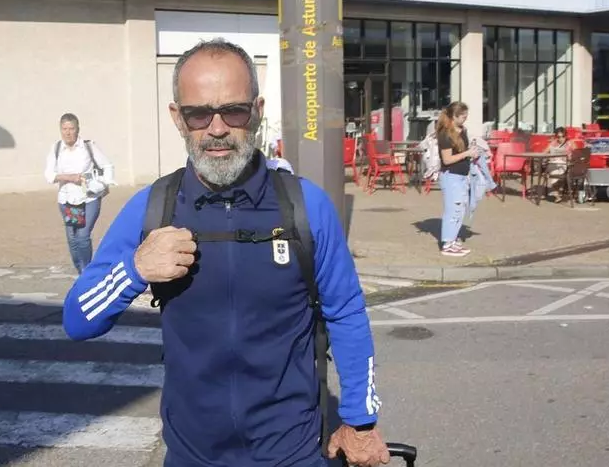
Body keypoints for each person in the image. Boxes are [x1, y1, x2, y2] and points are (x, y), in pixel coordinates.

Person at [62, 38, 389, 467]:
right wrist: (135, 268)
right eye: (199, 114)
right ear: (177, 118)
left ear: (257, 111)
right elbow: (77, 320)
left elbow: (346, 312)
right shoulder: (154, 207)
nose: (216, 129)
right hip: (192, 455)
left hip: (291, 453)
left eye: (233, 111)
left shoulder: (306, 207)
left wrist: (360, 421)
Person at [44, 113, 115, 274]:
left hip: (88, 198)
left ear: (77, 129)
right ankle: (81, 271)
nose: (68, 132)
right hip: (68, 199)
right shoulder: (56, 148)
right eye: (64, 129)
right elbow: (49, 175)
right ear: (60, 130)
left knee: (82, 235)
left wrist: (103, 183)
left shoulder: (88, 147)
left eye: (71, 128)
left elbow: (107, 166)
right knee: (73, 238)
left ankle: (87, 271)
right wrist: (69, 177)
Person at [436, 101, 478, 257]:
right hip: (451, 176)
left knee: (460, 209)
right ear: (454, 116)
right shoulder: (445, 134)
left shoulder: (462, 131)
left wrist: (472, 153)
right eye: (463, 116)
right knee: (453, 210)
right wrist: (466, 154)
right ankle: (447, 243)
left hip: (461, 176)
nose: (465, 119)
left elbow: (462, 151)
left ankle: (453, 239)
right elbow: (447, 160)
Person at [544, 127, 571, 202]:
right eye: (559, 137)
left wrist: (569, 157)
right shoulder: (553, 143)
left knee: (558, 172)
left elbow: (576, 154)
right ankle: (557, 193)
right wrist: (550, 156)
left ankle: (556, 193)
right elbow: (544, 153)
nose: (561, 139)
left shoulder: (569, 143)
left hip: (564, 164)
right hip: (554, 163)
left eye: (563, 136)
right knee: (554, 170)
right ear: (556, 136)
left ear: (566, 136)